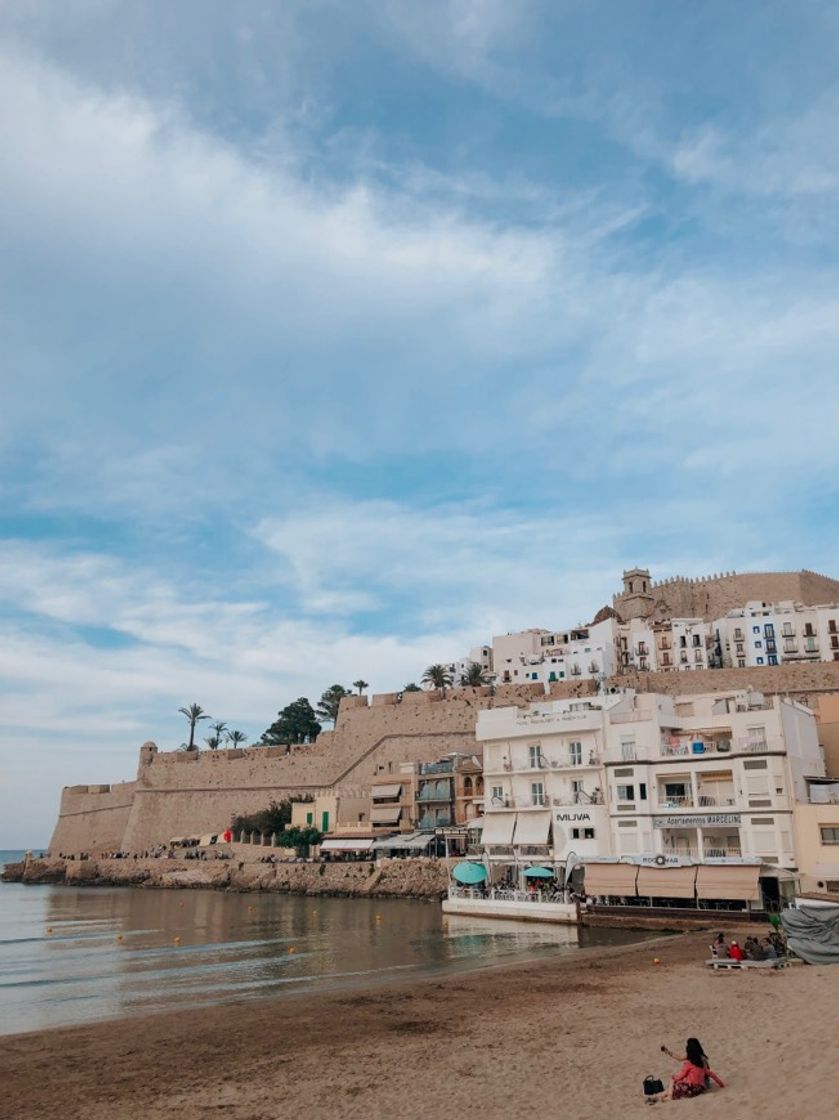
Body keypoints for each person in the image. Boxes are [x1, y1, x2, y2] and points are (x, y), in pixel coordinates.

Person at [650, 1038, 724, 1102]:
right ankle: (657, 1097)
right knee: (673, 1087)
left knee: (674, 1083)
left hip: (702, 1083)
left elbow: (682, 1074)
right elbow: (679, 1058)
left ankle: (665, 1097)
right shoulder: (699, 1059)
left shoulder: (695, 1061)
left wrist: (676, 1078)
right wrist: (667, 1051)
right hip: (699, 1085)